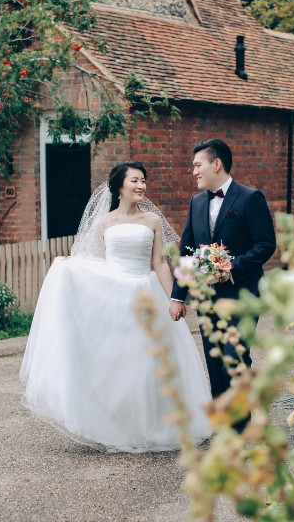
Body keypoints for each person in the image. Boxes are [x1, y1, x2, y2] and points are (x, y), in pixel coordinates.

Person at [19, 161, 212, 452]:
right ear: (119, 186)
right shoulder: (104, 222)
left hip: (145, 293)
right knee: (114, 364)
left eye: (144, 181)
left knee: (149, 361)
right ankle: (114, 426)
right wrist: (70, 270)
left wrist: (175, 297)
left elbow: (159, 262)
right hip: (112, 297)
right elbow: (93, 260)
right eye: (135, 180)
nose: (141, 186)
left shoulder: (152, 221)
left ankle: (153, 427)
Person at [169, 139, 276, 432]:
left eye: (197, 165)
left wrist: (231, 268)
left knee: (235, 354)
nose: (194, 172)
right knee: (215, 357)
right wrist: (178, 296)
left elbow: (266, 244)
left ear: (216, 164)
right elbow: (187, 250)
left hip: (242, 293)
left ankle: (240, 426)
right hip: (207, 297)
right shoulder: (196, 202)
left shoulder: (250, 198)